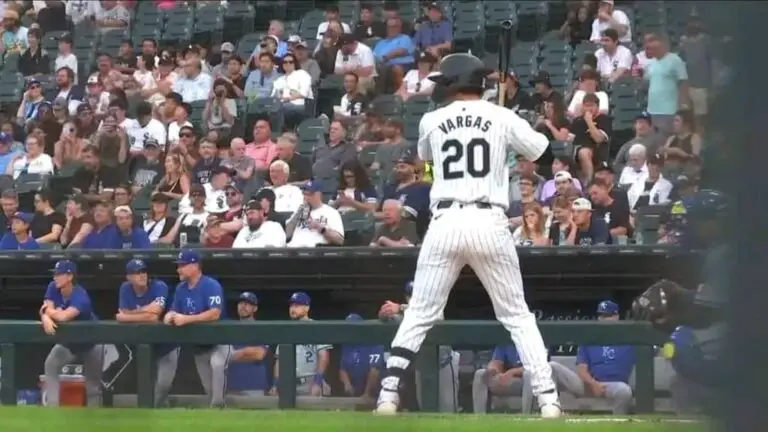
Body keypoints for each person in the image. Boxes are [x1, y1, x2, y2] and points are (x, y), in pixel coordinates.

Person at [375, 53, 561, 418]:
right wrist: (509, 129)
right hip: (489, 220)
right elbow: (544, 153)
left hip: (445, 221)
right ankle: (549, 400)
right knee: (518, 317)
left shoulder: (431, 119)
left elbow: (427, 162)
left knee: (420, 313)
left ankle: (387, 395)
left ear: (456, 81)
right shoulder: (502, 115)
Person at [164, 249, 230, 408]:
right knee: (210, 392)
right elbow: (175, 309)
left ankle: (220, 408)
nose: (178, 269)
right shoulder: (181, 288)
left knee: (217, 368)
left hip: (219, 342)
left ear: (195, 266)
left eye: (182, 265)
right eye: (178, 265)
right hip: (199, 347)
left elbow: (215, 313)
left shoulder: (211, 285)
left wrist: (186, 319)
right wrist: (169, 315)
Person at [115, 259, 177, 407]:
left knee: (163, 386)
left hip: (167, 344)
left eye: (143, 271)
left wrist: (130, 314)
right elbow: (122, 314)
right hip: (144, 346)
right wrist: (146, 310)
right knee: (146, 385)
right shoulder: (125, 288)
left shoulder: (159, 286)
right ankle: (155, 414)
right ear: (128, 277)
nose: (142, 275)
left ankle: (160, 410)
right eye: (137, 273)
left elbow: (154, 315)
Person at [41, 260, 103, 407]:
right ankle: (52, 408)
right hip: (68, 343)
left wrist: (47, 312)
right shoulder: (53, 287)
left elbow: (63, 317)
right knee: (50, 365)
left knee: (93, 386)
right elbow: (47, 307)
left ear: (69, 277)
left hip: (91, 343)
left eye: (58, 274)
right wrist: (45, 316)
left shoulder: (81, 296)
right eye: (54, 274)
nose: (55, 277)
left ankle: (94, 420)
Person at [269, 292, 332, 396]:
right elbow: (279, 361)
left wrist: (317, 382)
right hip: (288, 383)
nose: (293, 309)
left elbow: (324, 357)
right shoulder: (286, 331)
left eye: (297, 305)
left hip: (310, 382)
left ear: (307, 308)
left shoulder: (317, 328)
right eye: (291, 305)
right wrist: (275, 384)